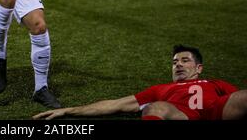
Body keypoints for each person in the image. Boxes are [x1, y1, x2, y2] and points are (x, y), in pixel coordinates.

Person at [34, 45, 247, 120]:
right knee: (156, 107)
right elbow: (116, 104)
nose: (178, 65)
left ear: (198, 68)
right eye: (174, 62)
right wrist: (68, 110)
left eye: (184, 60)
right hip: (181, 116)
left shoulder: (215, 83)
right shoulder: (161, 89)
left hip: (215, 112)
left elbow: (235, 99)